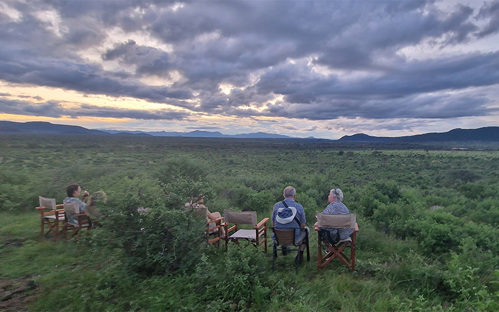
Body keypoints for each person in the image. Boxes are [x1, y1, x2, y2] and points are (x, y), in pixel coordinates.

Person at [272, 186, 309, 253]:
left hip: (278, 238)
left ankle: (284, 247)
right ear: (294, 195)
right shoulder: (299, 207)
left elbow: (273, 223)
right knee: (307, 230)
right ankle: (300, 253)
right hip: (295, 239)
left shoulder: (276, 206)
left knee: (281, 227)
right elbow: (302, 226)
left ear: (284, 195)